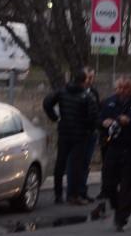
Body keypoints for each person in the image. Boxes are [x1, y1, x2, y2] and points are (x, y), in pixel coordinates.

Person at [98, 75, 131, 231]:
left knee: (127, 185)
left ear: (130, 89)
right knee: (108, 182)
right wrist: (103, 123)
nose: (121, 91)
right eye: (118, 88)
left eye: (124, 88)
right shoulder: (109, 102)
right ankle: (115, 204)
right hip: (113, 147)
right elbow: (98, 120)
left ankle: (122, 217)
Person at [42, 68, 99, 204]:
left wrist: (56, 118)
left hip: (64, 132)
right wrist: (89, 129)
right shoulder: (87, 96)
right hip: (79, 135)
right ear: (84, 81)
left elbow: (47, 102)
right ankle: (73, 195)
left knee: (60, 164)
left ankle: (58, 194)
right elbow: (93, 116)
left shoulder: (62, 91)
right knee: (76, 165)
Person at [76, 67, 102, 202]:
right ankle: (77, 192)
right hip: (82, 132)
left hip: (91, 131)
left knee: (86, 163)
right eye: (88, 78)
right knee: (79, 162)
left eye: (92, 78)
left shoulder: (93, 93)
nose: (90, 81)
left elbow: (97, 110)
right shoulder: (78, 93)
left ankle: (83, 190)